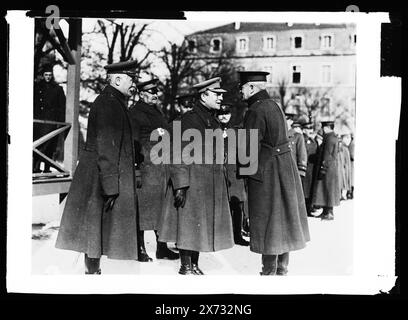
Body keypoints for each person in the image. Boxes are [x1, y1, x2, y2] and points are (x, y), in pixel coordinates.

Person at [55, 60, 139, 274]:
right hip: (101, 176)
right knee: (94, 229)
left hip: (100, 174)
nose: (134, 85)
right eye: (132, 79)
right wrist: (111, 186)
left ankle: (93, 272)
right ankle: (92, 274)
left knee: (96, 229)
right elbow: (106, 148)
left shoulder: (113, 102)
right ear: (118, 79)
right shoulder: (110, 104)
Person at [158, 77, 234, 275]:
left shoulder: (210, 118)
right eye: (216, 94)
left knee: (201, 223)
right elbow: (177, 153)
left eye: (220, 95)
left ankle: (194, 264)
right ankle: (185, 265)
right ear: (203, 95)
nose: (220, 98)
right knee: (189, 222)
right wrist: (180, 184)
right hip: (192, 180)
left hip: (208, 181)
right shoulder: (190, 119)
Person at [238, 71, 310, 275]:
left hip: (267, 172)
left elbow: (248, 148)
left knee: (268, 219)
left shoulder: (255, 110)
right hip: (284, 168)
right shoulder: (273, 105)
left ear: (251, 87)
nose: (241, 92)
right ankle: (281, 268)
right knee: (282, 219)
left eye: (242, 88)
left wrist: (244, 174)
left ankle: (268, 271)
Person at [129, 79, 179, 262]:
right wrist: (136, 170)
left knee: (161, 209)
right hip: (146, 168)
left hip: (161, 169)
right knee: (143, 209)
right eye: (151, 93)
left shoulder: (157, 112)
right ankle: (139, 249)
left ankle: (162, 248)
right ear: (142, 95)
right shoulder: (135, 113)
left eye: (156, 92)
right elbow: (133, 143)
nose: (155, 95)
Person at [217, 102, 249, 246]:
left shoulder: (236, 132)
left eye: (226, 113)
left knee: (238, 206)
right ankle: (222, 236)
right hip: (219, 174)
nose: (223, 117)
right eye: (220, 114)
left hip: (235, 174)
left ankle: (237, 235)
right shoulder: (212, 131)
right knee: (221, 205)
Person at [33, 63, 66, 173]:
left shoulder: (57, 89)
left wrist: (60, 122)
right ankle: (35, 167)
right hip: (38, 122)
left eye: (50, 75)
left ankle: (47, 168)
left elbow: (62, 107)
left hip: (51, 121)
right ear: (43, 75)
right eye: (46, 75)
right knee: (38, 145)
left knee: (49, 146)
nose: (48, 77)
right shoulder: (37, 88)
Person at [312, 121, 341, 221]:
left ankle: (329, 213)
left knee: (327, 190)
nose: (323, 130)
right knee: (327, 190)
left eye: (324, 127)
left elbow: (327, 155)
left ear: (328, 128)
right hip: (331, 168)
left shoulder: (329, 138)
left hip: (327, 168)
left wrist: (323, 168)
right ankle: (326, 211)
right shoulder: (334, 137)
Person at [301, 121, 319, 216]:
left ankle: (309, 208)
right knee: (304, 190)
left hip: (312, 169)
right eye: (308, 129)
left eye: (311, 129)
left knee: (310, 189)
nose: (310, 131)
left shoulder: (313, 141)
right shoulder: (302, 140)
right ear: (304, 130)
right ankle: (304, 210)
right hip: (305, 168)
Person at [286, 113, 308, 180]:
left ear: (291, 121)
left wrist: (301, 171)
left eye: (285, 119)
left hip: (293, 171)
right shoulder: (279, 136)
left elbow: (302, 154)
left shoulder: (297, 136)